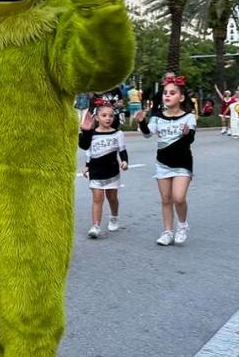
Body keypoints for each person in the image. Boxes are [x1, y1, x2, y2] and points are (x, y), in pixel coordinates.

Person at [136, 75, 196, 246]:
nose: (167, 96)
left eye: (172, 93)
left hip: (182, 163)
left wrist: (186, 135)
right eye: (165, 93)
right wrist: (142, 122)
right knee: (165, 199)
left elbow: (190, 139)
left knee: (179, 197)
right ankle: (168, 231)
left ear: (181, 97)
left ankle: (182, 225)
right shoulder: (157, 117)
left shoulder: (189, 117)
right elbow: (148, 134)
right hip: (163, 163)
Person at [79, 105, 128, 238]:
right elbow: (86, 148)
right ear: (97, 118)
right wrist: (87, 165)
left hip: (112, 171)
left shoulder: (117, 134)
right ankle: (95, 226)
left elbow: (122, 151)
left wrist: (124, 161)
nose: (108, 118)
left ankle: (114, 217)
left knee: (112, 197)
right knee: (97, 198)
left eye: (111, 116)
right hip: (96, 171)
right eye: (104, 115)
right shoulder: (92, 134)